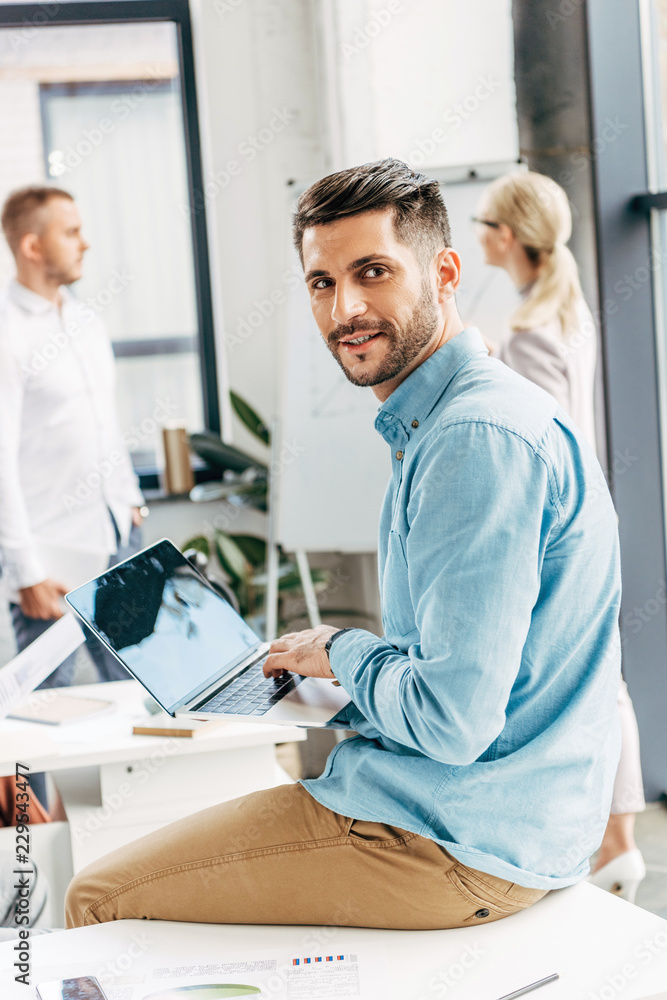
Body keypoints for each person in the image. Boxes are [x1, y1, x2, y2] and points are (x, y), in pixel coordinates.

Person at [65, 159, 621, 932]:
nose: (345, 307)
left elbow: (453, 724)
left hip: (455, 840)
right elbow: (463, 685)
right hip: (497, 817)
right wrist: (322, 682)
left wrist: (344, 651)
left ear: (445, 272)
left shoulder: (471, 441)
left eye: (373, 272)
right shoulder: (457, 419)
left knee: (93, 900)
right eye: (322, 283)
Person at [474, 170, 646, 903]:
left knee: (582, 684)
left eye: (483, 222)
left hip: (551, 534)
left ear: (508, 235)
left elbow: (536, 441)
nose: (476, 232)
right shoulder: (562, 313)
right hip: (585, 522)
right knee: (601, 679)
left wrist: (479, 366)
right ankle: (616, 843)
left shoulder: (528, 332)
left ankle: (607, 841)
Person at [0, 186, 145, 689]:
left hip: (118, 538)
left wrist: (129, 502)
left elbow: (104, 422)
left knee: (141, 693)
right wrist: (24, 573)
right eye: (71, 232)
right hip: (52, 557)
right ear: (32, 246)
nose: (85, 243)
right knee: (42, 709)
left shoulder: (86, 320)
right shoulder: (6, 333)